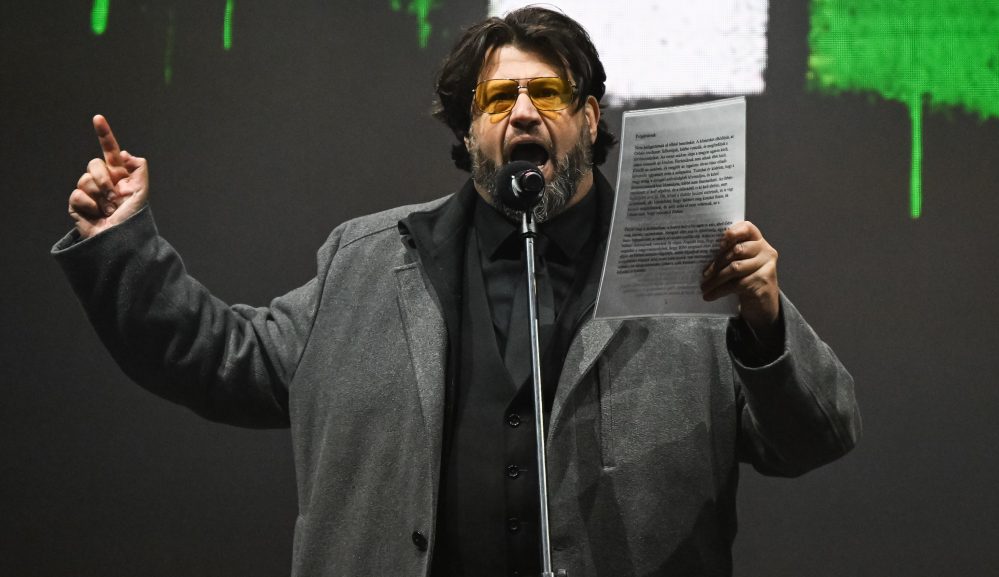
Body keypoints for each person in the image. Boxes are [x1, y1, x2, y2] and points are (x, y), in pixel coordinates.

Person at [54, 7, 860, 577]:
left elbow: (817, 434)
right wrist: (123, 244)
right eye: (498, 99)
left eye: (547, 94)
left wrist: (764, 322)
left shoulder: (695, 269)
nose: (522, 113)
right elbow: (220, 358)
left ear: (589, 119)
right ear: (469, 131)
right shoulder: (366, 262)